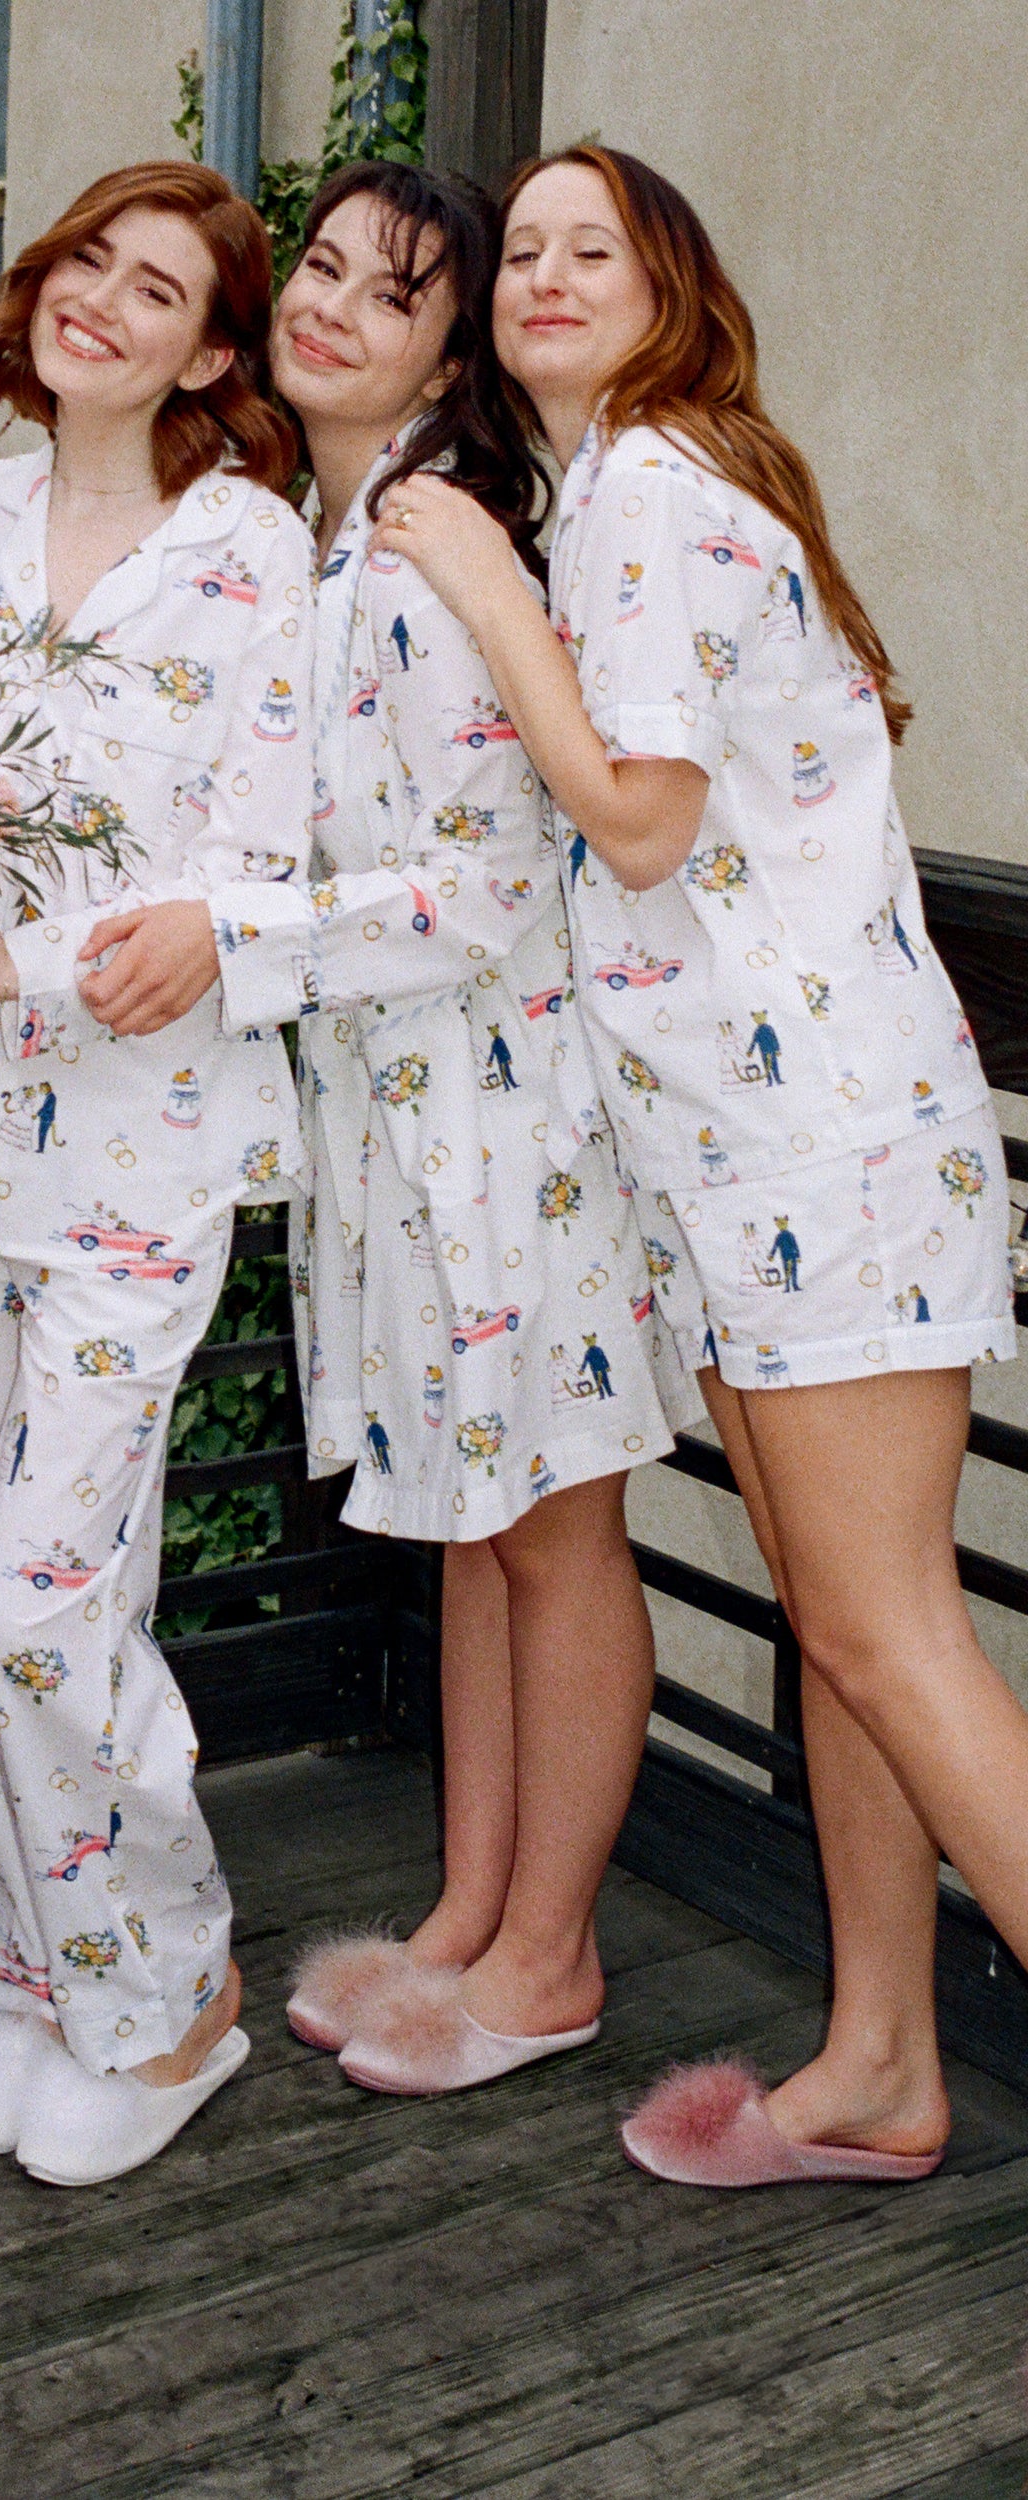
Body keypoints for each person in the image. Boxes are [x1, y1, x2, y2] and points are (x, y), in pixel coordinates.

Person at [379, 146, 1019, 2185]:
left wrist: (484, 591)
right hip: (757, 1155)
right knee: (851, 1624)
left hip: (819, 1146)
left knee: (887, 1632)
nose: (548, 274)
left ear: (672, 289)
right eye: (523, 252)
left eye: (599, 247)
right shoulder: (633, 494)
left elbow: (640, 819)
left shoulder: (646, 491)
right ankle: (882, 2061)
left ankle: (889, 2053)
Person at [224, 159, 696, 2095]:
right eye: (319, 264)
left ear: (443, 354)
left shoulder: (443, 545)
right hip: (402, 1117)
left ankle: (550, 1951)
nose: (328, 303)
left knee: (555, 1529)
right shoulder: (343, 537)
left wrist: (231, 946)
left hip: (510, 1116)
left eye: (389, 290)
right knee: (481, 1529)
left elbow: (488, 885)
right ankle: (472, 1910)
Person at [0, 160, 312, 2186]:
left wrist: (16, 950)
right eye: (88, 265)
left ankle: (172, 2000)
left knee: (50, 1597)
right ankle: (36, 1981)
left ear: (210, 356)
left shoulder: (249, 556)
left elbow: (250, 867)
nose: (103, 305)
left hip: (137, 1152)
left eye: (160, 292)